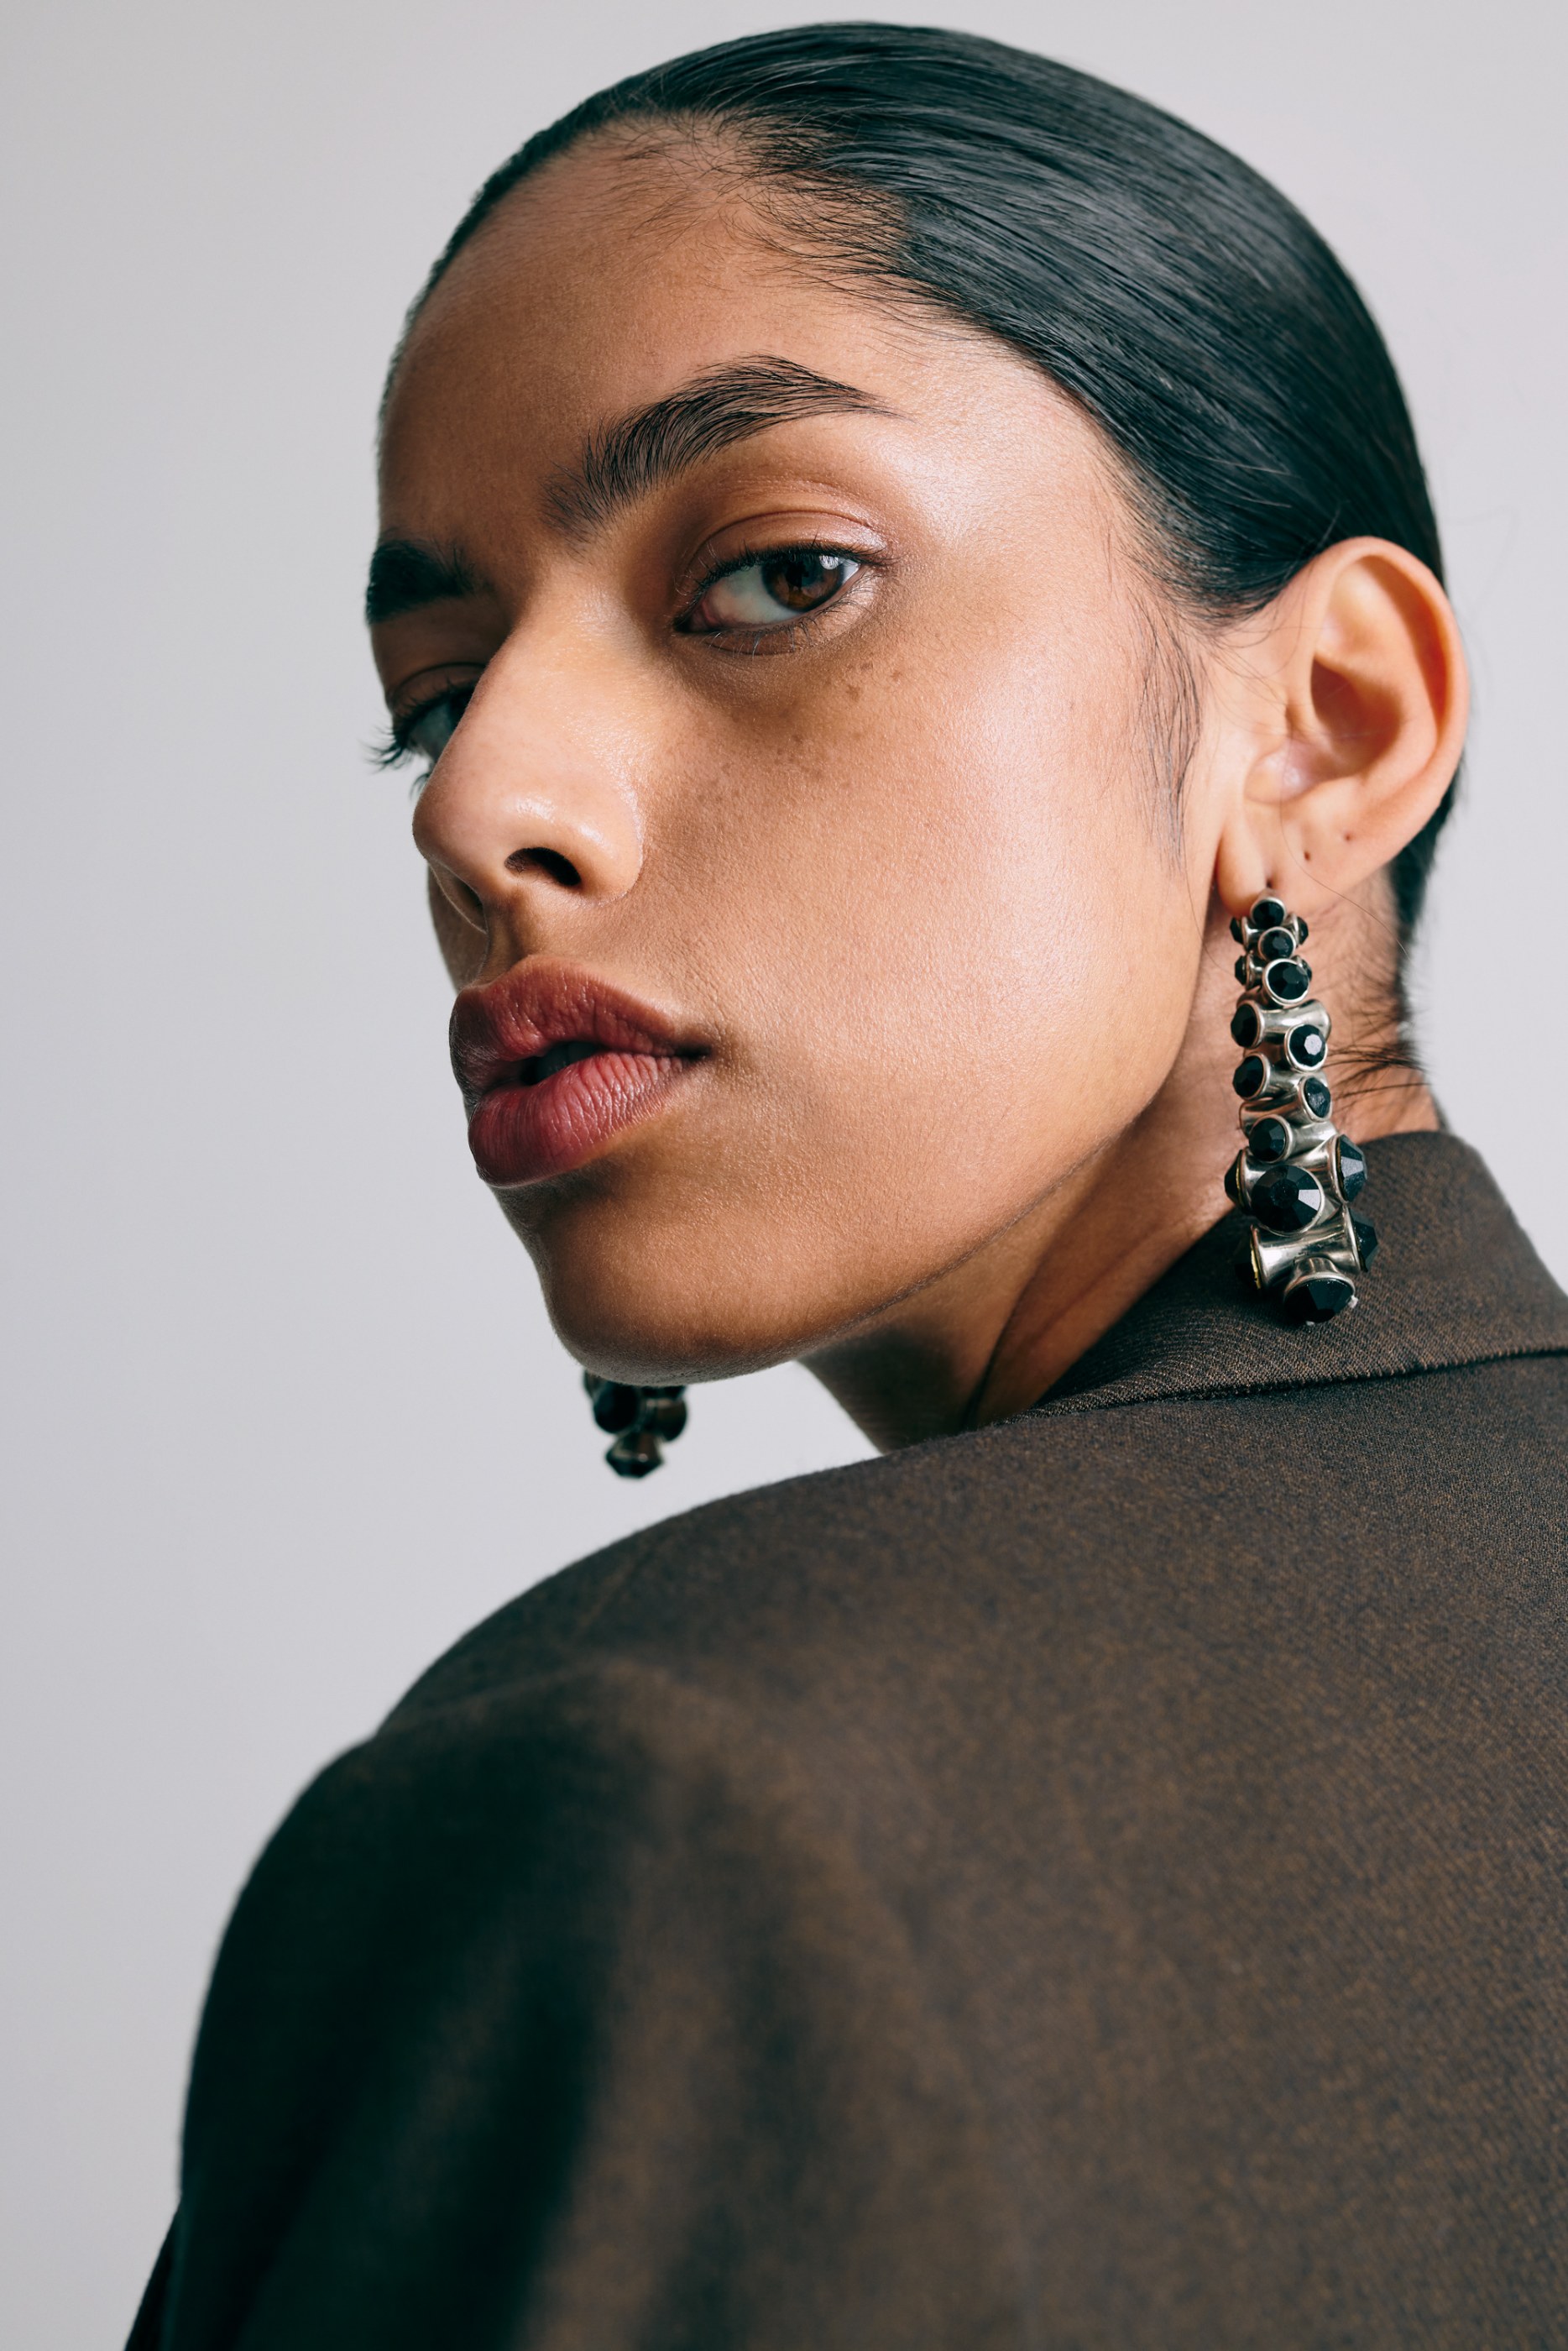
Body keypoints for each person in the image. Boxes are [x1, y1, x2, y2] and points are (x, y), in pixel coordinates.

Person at [128, 24, 1568, 2347]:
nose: (476, 809)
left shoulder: (669, 1801)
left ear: (1324, 725)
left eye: (772, 577)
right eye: (434, 688)